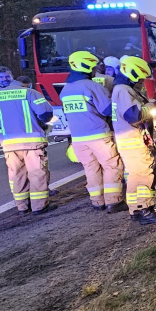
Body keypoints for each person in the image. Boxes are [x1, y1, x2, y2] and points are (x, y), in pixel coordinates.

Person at [0, 67, 55, 215]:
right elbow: (45, 113)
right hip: (32, 141)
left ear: (11, 76)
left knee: (16, 174)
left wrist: (2, 125)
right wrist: (41, 124)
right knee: (37, 173)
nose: (4, 79)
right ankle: (39, 206)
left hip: (8, 142)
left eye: (6, 76)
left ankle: (22, 207)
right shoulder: (29, 93)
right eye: (1, 77)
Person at [59, 51, 126, 213]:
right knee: (112, 166)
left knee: (91, 168)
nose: (96, 69)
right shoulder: (93, 86)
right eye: (94, 66)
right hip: (98, 135)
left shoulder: (65, 89)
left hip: (78, 139)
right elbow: (107, 110)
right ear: (87, 66)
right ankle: (114, 201)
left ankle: (97, 202)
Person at [112, 56, 156, 225]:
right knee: (146, 174)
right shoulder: (123, 90)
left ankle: (136, 209)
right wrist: (152, 107)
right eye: (141, 78)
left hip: (128, 141)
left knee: (135, 176)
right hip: (133, 141)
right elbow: (133, 115)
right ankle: (146, 210)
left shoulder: (120, 89)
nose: (142, 82)